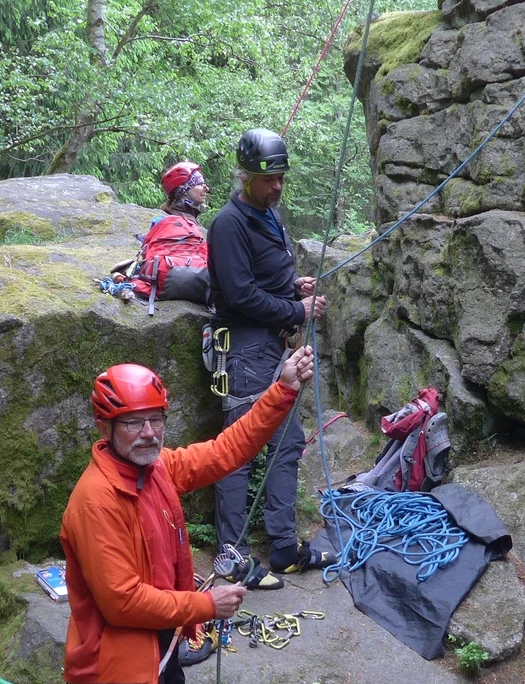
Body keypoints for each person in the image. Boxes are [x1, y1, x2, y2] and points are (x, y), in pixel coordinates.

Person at [59, 345, 316, 684]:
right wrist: (206, 604)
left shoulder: (156, 468)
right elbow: (123, 602)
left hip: (160, 643)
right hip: (117, 666)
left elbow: (225, 451)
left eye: (156, 419)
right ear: (105, 428)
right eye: (133, 422)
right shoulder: (97, 502)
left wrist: (283, 390)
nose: (148, 432)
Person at [205, 127, 332, 591]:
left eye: (281, 177)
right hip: (244, 349)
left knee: (286, 442)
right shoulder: (229, 224)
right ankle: (232, 555)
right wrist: (296, 310)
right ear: (245, 176)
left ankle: (282, 547)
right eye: (267, 178)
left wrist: (292, 287)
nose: (277, 186)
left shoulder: (268, 215)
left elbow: (262, 278)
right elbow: (238, 294)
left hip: (273, 346)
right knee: (238, 448)